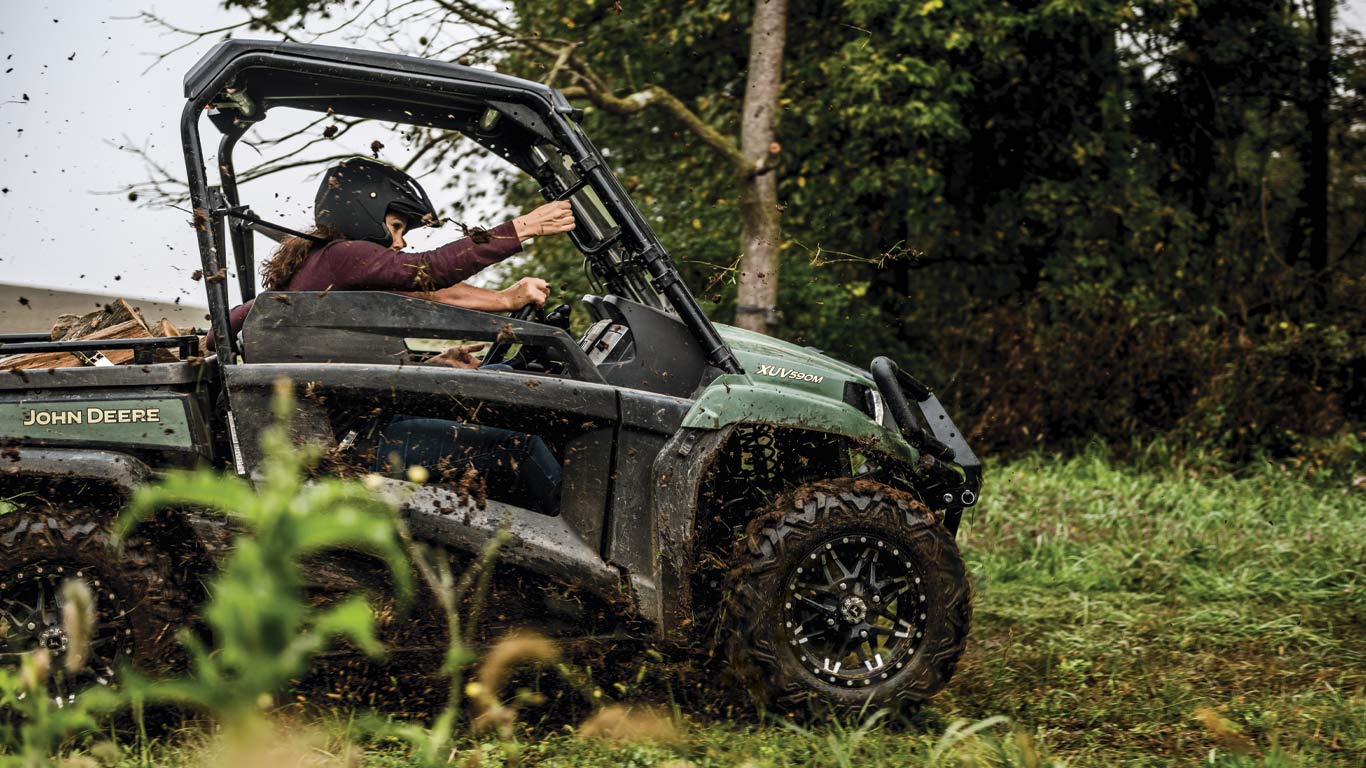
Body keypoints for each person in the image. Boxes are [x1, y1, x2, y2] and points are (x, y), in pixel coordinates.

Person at [230, 156, 575, 513]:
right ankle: (584, 544)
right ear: (363, 211)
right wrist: (523, 227)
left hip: (358, 430)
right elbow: (431, 272)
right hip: (358, 444)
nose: (401, 241)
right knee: (522, 448)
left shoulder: (321, 267)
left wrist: (436, 360)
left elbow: (431, 293)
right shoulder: (341, 255)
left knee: (501, 377)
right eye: (396, 226)